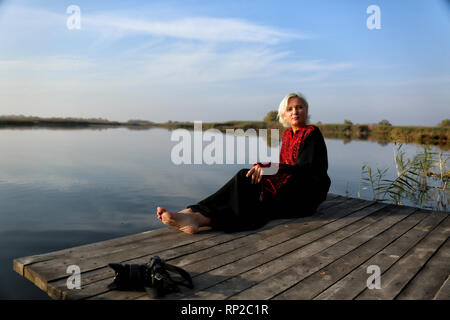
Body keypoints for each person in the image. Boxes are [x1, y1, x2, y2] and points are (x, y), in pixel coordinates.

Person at [156, 92, 331, 234]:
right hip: (289, 188)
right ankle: (197, 215)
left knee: (248, 186)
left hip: (305, 197)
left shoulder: (311, 133)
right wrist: (267, 170)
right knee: (248, 184)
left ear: (306, 111)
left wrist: (268, 168)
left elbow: (304, 170)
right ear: (284, 114)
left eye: (299, 107)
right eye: (290, 108)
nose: (295, 112)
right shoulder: (287, 135)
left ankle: (197, 215)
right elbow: (286, 167)